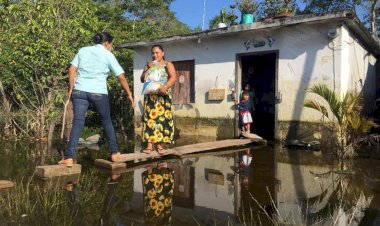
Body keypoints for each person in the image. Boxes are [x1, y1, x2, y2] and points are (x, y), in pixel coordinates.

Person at [58, 32, 134, 167]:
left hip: (80, 91)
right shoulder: (108, 54)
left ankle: (69, 157)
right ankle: (114, 152)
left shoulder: (83, 50)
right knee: (106, 121)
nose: (111, 47)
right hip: (98, 92)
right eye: (111, 45)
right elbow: (121, 76)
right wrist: (129, 93)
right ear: (106, 43)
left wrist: (71, 88)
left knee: (78, 122)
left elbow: (71, 70)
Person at [140, 45, 176, 154]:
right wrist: (148, 68)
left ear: (163, 53)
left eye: (157, 52)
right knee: (150, 119)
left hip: (163, 97)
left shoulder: (168, 64)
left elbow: (173, 77)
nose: (155, 55)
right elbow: (142, 79)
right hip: (151, 96)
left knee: (162, 120)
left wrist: (165, 86)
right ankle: (149, 145)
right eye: (153, 53)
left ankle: (159, 145)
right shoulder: (149, 65)